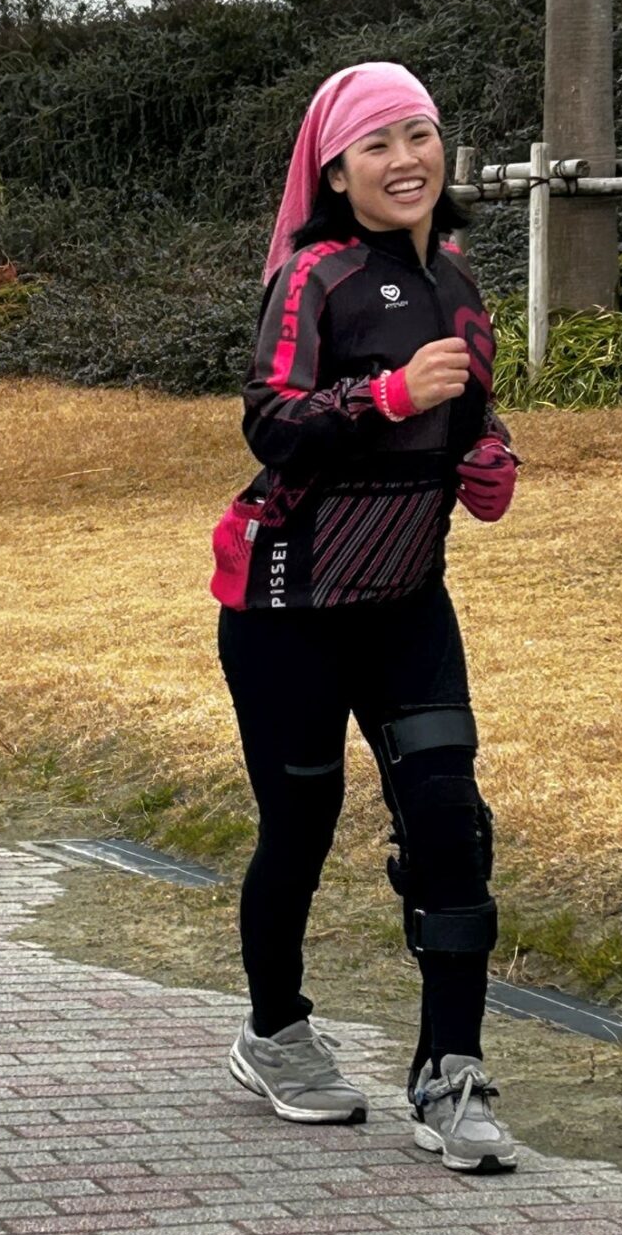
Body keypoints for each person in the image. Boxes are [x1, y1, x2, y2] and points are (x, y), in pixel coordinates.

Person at [211, 60, 521, 1173]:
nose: (404, 160)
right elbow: (271, 423)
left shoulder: (461, 280)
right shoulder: (316, 276)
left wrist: (489, 458)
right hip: (289, 606)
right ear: (335, 172)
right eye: (376, 144)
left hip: (406, 602)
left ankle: (451, 1071)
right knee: (298, 827)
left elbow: (474, 418)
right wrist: (385, 397)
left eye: (419, 134)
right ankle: (275, 1031)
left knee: (450, 819)